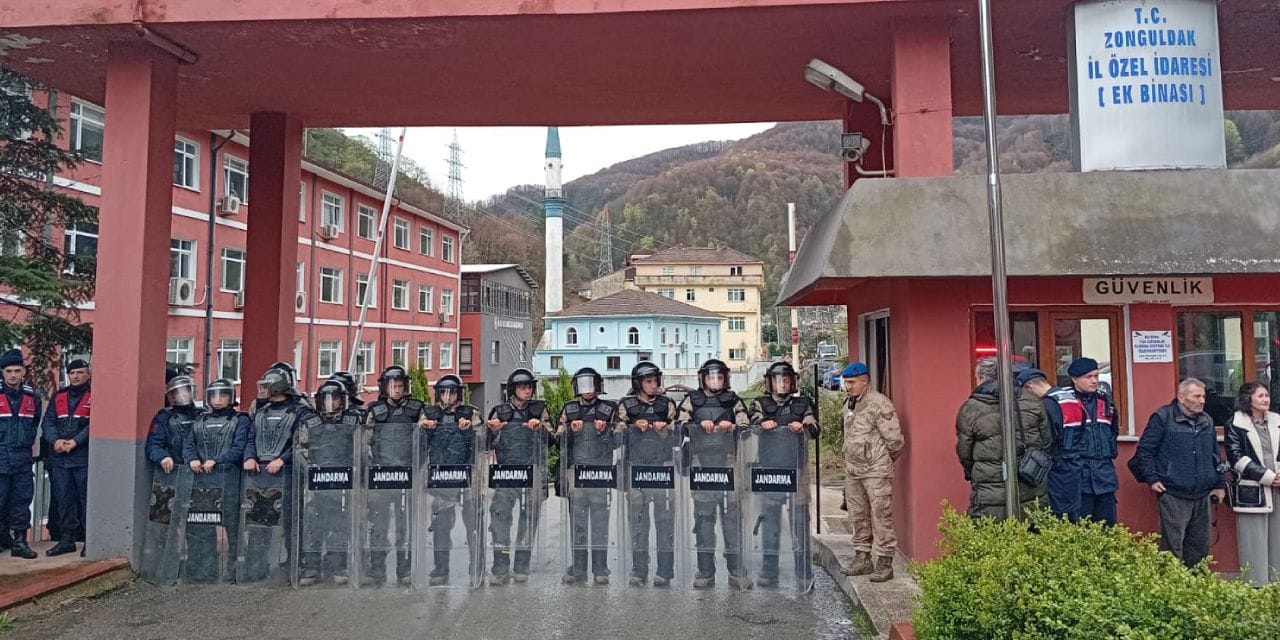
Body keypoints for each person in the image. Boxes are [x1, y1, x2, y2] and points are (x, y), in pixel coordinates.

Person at [1129, 378, 1225, 568]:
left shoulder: (1207, 420)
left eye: (1203, 396)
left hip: (1203, 494)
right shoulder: (1163, 417)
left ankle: (1197, 588)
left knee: (1200, 549)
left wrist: (1219, 484)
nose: (1202, 400)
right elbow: (1145, 451)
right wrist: (1152, 479)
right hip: (1174, 493)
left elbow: (1215, 455)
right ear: (1181, 397)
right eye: (1196, 396)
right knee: (1172, 548)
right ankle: (1173, 589)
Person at [677, 358, 752, 590]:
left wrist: (734, 426)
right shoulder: (692, 400)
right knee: (704, 520)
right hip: (702, 464)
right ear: (702, 379)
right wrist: (699, 424)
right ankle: (705, 571)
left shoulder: (733, 400)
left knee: (732, 520)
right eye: (711, 377)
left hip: (729, 462)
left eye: (719, 377)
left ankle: (736, 571)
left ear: (726, 379)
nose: (715, 381)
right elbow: (679, 424)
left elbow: (746, 425)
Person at [746, 360, 818, 587]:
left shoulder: (804, 404)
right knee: (770, 520)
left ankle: (803, 572)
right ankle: (769, 570)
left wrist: (803, 427)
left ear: (793, 382)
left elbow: (814, 427)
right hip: (769, 468)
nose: (782, 385)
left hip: (797, 468)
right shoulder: (760, 403)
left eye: (786, 380)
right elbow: (751, 422)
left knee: (799, 520)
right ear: (770, 382)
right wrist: (763, 423)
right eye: (778, 380)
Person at [955, 358, 1052, 521]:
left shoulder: (971, 408)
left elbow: (964, 451)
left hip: (988, 486)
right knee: (1031, 533)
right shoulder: (1032, 400)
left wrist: (974, 472)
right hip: (1030, 479)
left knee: (991, 535)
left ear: (983, 377)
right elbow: (1046, 440)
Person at [239, 367, 312, 583]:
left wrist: (282, 459)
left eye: (269, 385)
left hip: (287, 474)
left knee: (290, 522)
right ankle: (256, 564)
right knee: (258, 521)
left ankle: (294, 564)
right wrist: (250, 457)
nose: (265, 389)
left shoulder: (300, 411)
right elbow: (252, 438)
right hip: (260, 473)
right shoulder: (261, 412)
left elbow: (303, 441)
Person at [485, 368, 552, 584]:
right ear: (513, 389)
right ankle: (501, 564)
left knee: (529, 516)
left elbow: (554, 439)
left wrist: (540, 428)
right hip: (508, 470)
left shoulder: (540, 409)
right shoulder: (500, 410)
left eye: (530, 386)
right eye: (523, 386)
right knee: (499, 514)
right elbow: (485, 442)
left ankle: (522, 564)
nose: (528, 390)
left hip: (533, 469)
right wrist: (493, 430)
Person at [839, 361, 903, 582]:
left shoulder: (879, 404)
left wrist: (881, 461)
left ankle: (885, 562)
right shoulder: (849, 404)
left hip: (875, 470)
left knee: (880, 516)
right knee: (858, 515)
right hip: (854, 470)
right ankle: (862, 557)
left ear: (864, 381)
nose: (848, 387)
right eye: (846, 382)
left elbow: (895, 441)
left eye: (852, 382)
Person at [182, 378, 250, 582]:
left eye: (222, 395)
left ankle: (234, 568)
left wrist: (217, 460)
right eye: (214, 395)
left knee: (233, 527)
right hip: (202, 482)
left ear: (231, 398)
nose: (218, 400)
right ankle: (204, 568)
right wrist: (192, 459)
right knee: (202, 526)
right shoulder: (199, 420)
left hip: (229, 481)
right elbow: (189, 444)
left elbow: (238, 449)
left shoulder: (241, 420)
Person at [618, 361, 679, 587]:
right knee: (638, 521)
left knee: (665, 520)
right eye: (648, 381)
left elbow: (679, 433)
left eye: (656, 381)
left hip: (662, 466)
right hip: (636, 467)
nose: (653, 386)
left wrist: (664, 429)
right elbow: (617, 435)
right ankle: (639, 568)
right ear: (638, 383)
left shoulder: (667, 404)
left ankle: (665, 570)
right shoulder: (626, 405)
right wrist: (635, 426)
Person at [556, 367, 619, 585]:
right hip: (577, 470)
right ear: (576, 387)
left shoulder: (610, 409)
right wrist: (570, 431)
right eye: (583, 385)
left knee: (600, 519)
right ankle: (579, 566)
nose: (587, 390)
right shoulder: (570, 409)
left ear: (598, 386)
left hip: (600, 470)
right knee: (578, 521)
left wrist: (605, 431)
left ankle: (601, 567)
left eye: (591, 384)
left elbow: (620, 440)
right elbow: (557, 441)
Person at [363, 365, 425, 586]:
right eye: (393, 386)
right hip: (381, 475)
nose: (397, 390)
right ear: (385, 387)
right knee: (379, 523)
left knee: (403, 525)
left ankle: (404, 568)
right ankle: (377, 568)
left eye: (400, 386)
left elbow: (423, 441)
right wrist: (372, 467)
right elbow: (364, 443)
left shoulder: (417, 409)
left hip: (406, 476)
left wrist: (418, 471)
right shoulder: (374, 410)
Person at [295, 380, 361, 586]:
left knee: (340, 524)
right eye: (326, 399)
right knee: (313, 523)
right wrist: (310, 471)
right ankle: (312, 566)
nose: (330, 403)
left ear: (344, 400)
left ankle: (339, 565)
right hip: (317, 482)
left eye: (335, 399)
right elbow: (299, 451)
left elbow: (363, 448)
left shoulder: (354, 420)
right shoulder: (310, 422)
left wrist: (356, 470)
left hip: (344, 483)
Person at [420, 374, 481, 586]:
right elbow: (417, 447)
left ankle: (476, 567)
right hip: (441, 476)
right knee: (440, 524)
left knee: (473, 522)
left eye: (452, 392)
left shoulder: (471, 413)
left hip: (466, 476)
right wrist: (425, 431)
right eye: (444, 392)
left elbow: (482, 443)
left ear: (459, 394)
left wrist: (468, 432)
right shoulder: (428, 413)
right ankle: (441, 569)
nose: (448, 397)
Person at [1043, 357, 1119, 525]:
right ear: (1075, 379)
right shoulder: (1061, 401)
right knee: (1078, 529)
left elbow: (1113, 433)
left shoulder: (1106, 401)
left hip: (1104, 478)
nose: (1094, 381)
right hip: (1076, 479)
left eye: (1096, 376)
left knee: (1107, 530)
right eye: (1088, 377)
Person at [1224, 381, 1280, 586]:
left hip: (1278, 488)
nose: (1266, 399)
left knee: (1277, 538)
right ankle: (1255, 587)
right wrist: (1267, 477)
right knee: (1253, 540)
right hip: (1252, 490)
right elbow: (1236, 457)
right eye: (1261, 396)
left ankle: (1275, 585)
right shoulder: (1235, 424)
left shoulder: (1277, 421)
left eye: (1267, 395)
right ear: (1248, 400)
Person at [41, 359, 92, 557]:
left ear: (88, 374)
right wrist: (55, 441)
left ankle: (89, 540)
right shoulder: (59, 396)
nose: (76, 376)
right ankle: (66, 540)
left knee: (86, 501)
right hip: (60, 459)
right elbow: (48, 421)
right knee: (64, 500)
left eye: (80, 372)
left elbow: (94, 424)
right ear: (68, 375)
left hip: (82, 458)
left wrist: (76, 442)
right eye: (73, 373)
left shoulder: (94, 396)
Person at [0, 349, 39, 559]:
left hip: (22, 459)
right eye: (8, 371)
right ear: (2, 372)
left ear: (23, 371)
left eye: (17, 370)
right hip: (1, 457)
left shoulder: (32, 396)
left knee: (22, 500)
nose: (13, 375)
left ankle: (20, 542)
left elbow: (35, 423)